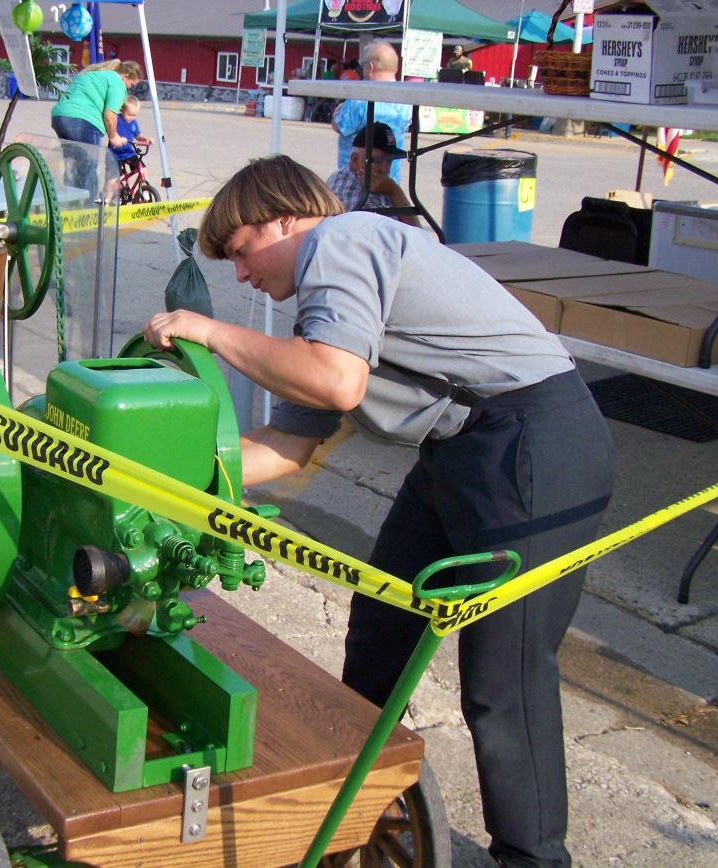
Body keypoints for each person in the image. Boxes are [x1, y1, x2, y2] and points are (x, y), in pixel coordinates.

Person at [142, 154, 614, 868]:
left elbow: (336, 382)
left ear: (286, 217)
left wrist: (210, 332)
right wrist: (155, 478)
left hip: (533, 445)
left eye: (241, 252)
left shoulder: (345, 241)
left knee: (503, 681)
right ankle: (347, 807)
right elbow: (285, 447)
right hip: (462, 451)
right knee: (380, 628)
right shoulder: (323, 314)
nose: (241, 275)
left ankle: (533, 859)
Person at [50, 58, 143, 195]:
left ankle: (69, 207)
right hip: (84, 120)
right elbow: (110, 115)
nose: (130, 88)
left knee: (71, 165)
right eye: (132, 84)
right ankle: (90, 211)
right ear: (126, 76)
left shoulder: (92, 74)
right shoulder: (117, 82)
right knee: (89, 168)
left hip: (59, 117)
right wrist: (114, 137)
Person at [331, 42, 409, 184]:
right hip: (390, 183)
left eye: (363, 64)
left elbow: (339, 126)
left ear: (370, 67)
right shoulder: (405, 101)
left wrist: (338, 112)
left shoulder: (360, 99)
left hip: (355, 183)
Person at [325, 121, 419, 224]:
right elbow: (414, 234)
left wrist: (393, 191)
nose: (385, 169)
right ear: (355, 160)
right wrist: (394, 191)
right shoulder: (349, 188)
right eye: (378, 161)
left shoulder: (380, 185)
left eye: (389, 161)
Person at [109, 94, 153, 173]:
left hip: (129, 152)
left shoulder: (133, 122)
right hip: (115, 155)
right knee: (115, 178)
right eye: (129, 115)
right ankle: (120, 182)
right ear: (122, 109)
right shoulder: (117, 119)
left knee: (142, 169)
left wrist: (146, 139)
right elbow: (111, 131)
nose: (132, 117)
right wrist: (118, 138)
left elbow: (138, 136)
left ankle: (141, 184)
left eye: (134, 115)